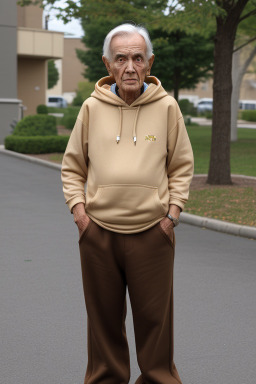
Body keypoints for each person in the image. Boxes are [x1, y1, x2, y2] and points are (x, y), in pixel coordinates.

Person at [61, 23, 194, 384]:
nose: (130, 67)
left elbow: (181, 166)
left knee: (156, 326)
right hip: (98, 234)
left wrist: (172, 215)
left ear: (150, 63)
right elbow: (73, 166)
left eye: (138, 58)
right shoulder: (91, 108)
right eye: (121, 58)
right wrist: (80, 214)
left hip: (153, 232)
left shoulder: (167, 108)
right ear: (108, 64)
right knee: (103, 325)